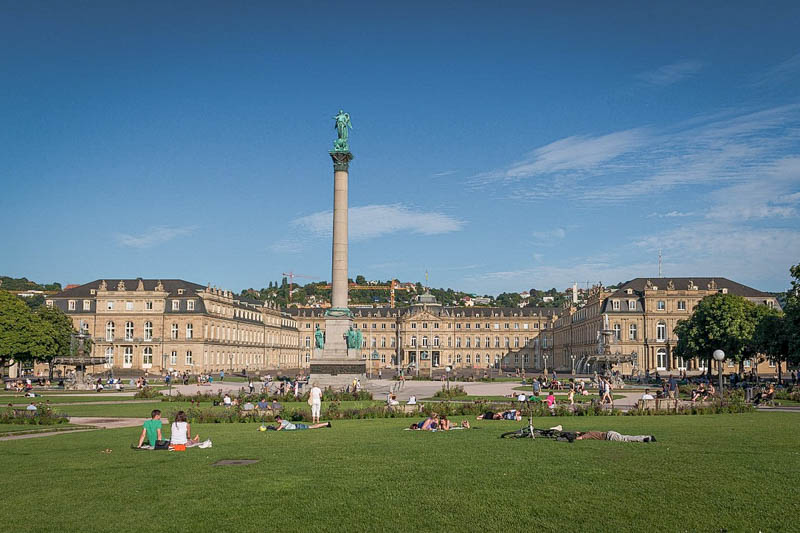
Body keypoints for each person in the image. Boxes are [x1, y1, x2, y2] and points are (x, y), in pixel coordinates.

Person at [575, 430, 656, 443]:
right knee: (627, 437)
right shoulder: (590, 431)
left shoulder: (588, 434)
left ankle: (645, 438)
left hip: (609, 436)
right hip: (611, 433)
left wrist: (575, 438)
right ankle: (646, 437)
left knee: (625, 439)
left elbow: (581, 437)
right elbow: (580, 433)